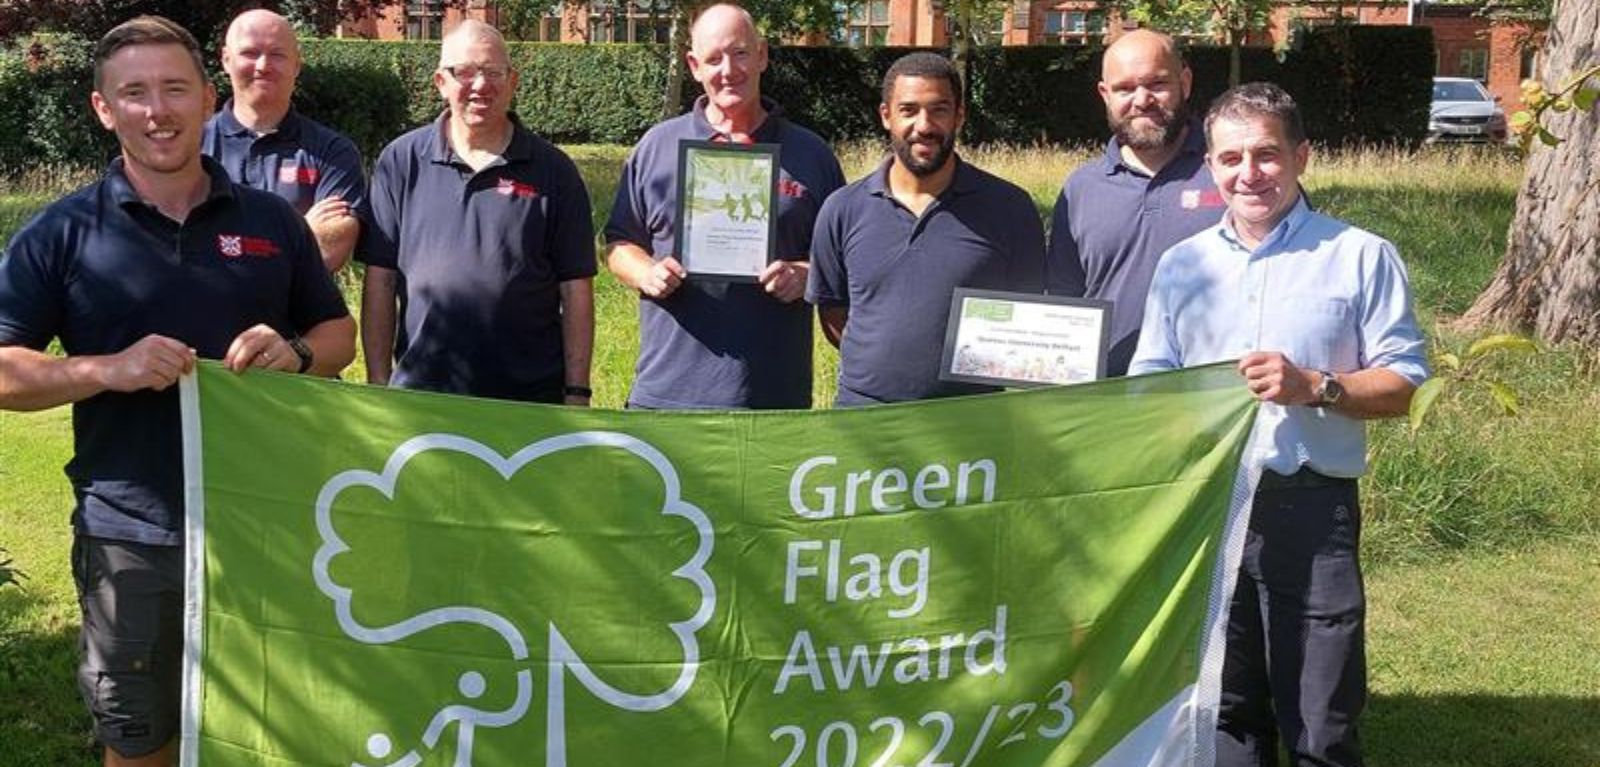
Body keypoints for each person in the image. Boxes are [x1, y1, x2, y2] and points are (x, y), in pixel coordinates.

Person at [0, 16, 356, 766]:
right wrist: (104, 368)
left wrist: (294, 351)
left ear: (207, 98)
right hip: (131, 533)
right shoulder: (63, 234)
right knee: (141, 740)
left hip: (265, 524)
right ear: (104, 109)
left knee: (273, 730)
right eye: (133, 93)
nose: (156, 110)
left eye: (174, 88)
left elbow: (338, 337)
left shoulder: (270, 223)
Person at [1129, 82, 1429, 767]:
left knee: (1321, 716)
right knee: (1229, 711)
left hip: (1311, 511)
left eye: (1267, 155)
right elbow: (1150, 389)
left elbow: (1404, 385)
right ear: (1210, 166)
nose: (1249, 173)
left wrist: (1315, 386)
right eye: (1231, 158)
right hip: (1211, 511)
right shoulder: (1181, 267)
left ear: (1302, 156)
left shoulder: (1359, 255)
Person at [605, 3, 844, 410]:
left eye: (740, 53)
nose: (728, 70)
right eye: (713, 59)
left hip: (772, 397)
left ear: (763, 55)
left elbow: (842, 260)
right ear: (694, 66)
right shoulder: (657, 147)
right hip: (668, 395)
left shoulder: (811, 154)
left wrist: (805, 275)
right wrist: (646, 272)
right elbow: (618, 244)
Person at [360, 20, 595, 405]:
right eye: (464, 72)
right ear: (441, 82)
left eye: (492, 71)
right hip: (423, 393)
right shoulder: (400, 162)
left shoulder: (554, 170)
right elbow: (380, 280)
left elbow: (577, 289)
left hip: (529, 399)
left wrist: (577, 391)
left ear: (512, 81)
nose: (480, 85)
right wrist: (378, 384)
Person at [807, 52, 1044, 406]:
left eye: (939, 110)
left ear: (959, 116)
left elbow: (1027, 318)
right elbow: (834, 317)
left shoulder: (1010, 208)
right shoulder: (842, 209)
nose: (924, 125)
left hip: (972, 420)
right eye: (909, 110)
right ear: (886, 116)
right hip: (864, 421)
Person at [1046, 29, 1225, 377]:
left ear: (1184, 82)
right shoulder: (1080, 188)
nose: (1142, 100)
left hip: (1215, 396)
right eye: (1125, 88)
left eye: (1157, 84)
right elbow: (1063, 299)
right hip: (1108, 401)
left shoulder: (1233, 174)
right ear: (1105, 94)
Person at [202, 8, 368, 272]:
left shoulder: (333, 152)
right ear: (225, 60)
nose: (263, 65)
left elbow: (331, 252)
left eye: (277, 55)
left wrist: (224, 246)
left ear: (297, 65)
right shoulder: (191, 146)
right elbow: (172, 246)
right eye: (250, 53)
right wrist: (300, 230)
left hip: (294, 315)